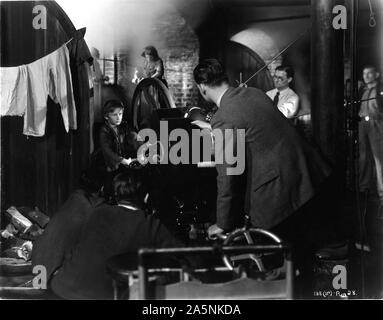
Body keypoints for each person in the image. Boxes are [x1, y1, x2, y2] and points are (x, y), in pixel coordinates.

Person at [193, 59, 332, 241]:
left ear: (202, 86)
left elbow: (228, 174)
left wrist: (222, 223)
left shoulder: (223, 116)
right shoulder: (254, 93)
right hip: (307, 174)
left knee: (270, 252)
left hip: (281, 193)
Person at [50, 170, 183, 299]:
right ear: (146, 197)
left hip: (62, 289)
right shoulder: (148, 224)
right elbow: (182, 255)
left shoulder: (98, 213)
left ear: (116, 195)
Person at [32, 168, 106, 282]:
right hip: (53, 276)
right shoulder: (90, 207)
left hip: (39, 267)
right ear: (102, 188)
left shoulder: (75, 199)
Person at [358, 65, 383, 219]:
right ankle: (364, 189)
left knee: (378, 158)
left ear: (377, 74)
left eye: (369, 73)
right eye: (364, 73)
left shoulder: (380, 89)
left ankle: (382, 195)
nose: (366, 76)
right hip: (363, 123)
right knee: (363, 158)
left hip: (376, 123)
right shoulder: (362, 90)